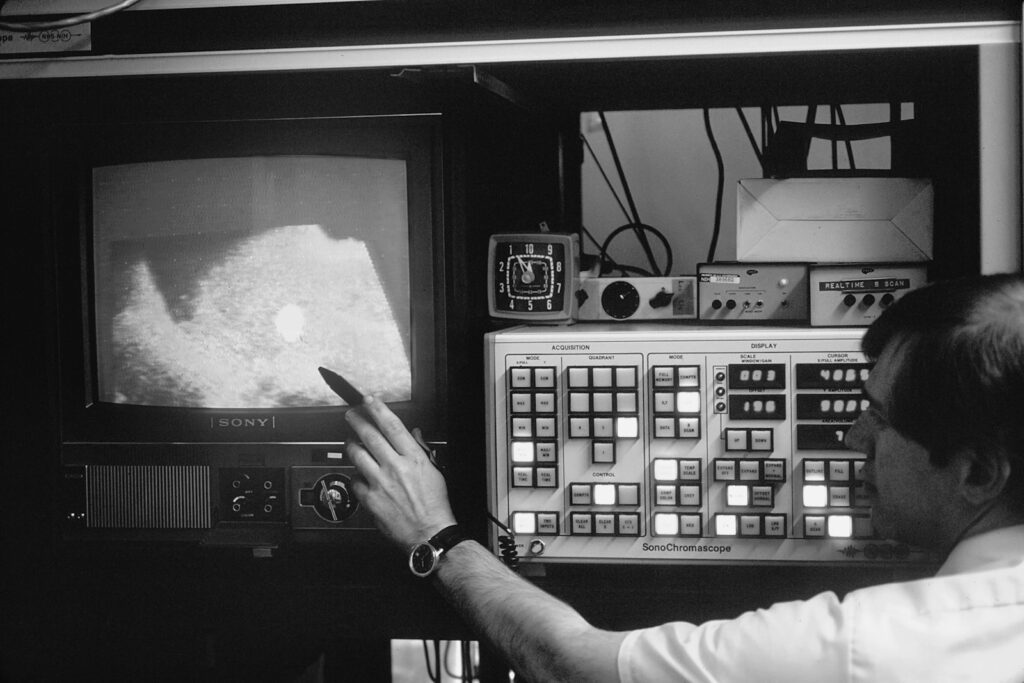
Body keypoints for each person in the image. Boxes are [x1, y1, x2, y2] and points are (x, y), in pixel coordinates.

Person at [344, 273, 1024, 683]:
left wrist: (436, 535)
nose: (852, 439)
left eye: (880, 416)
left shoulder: (874, 644)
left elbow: (576, 664)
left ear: (978, 471)